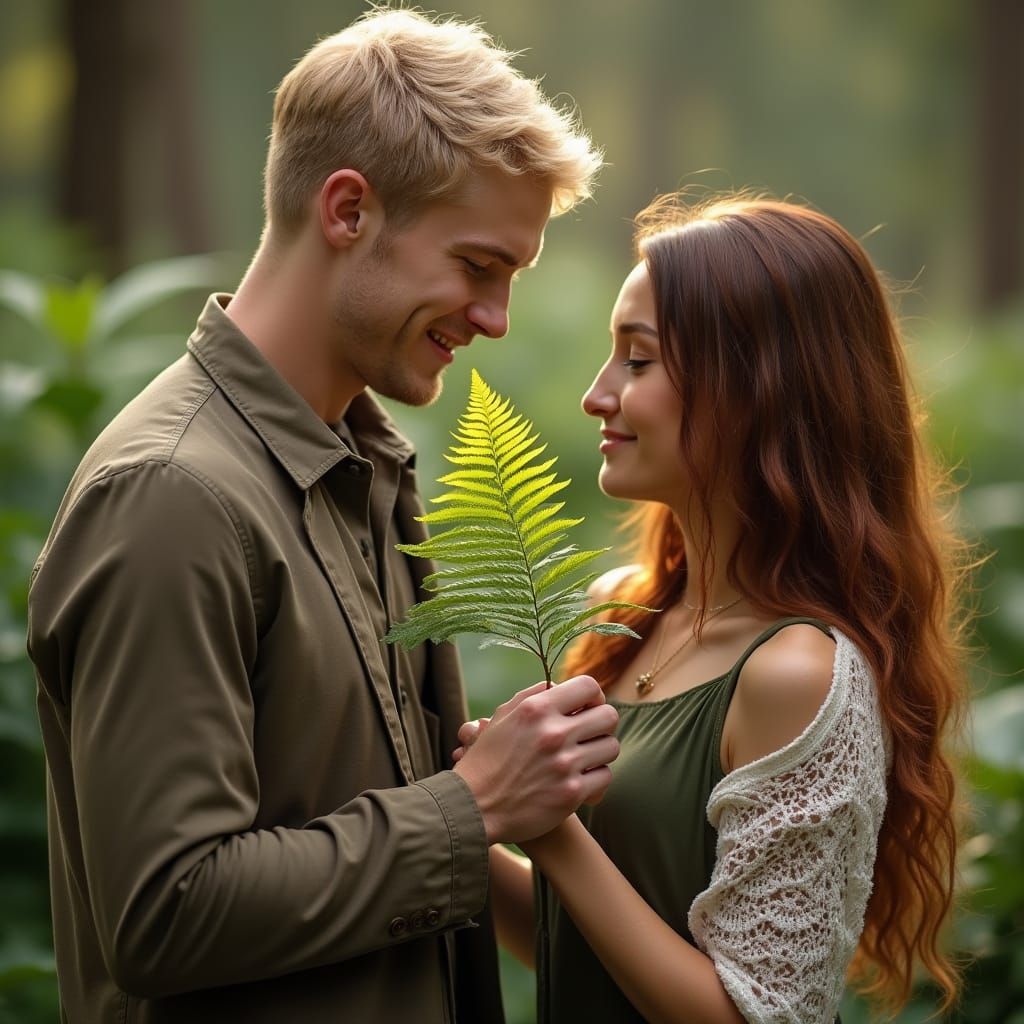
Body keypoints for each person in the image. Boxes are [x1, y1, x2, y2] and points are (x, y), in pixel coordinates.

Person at [26, 9, 618, 1023]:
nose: (495, 318)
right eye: (478, 265)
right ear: (348, 209)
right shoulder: (173, 497)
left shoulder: (364, 469)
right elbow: (166, 912)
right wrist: (472, 806)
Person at [458, 194, 971, 1022]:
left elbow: (755, 1014)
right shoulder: (623, 612)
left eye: (638, 361)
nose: (597, 395)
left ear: (756, 386)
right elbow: (582, 938)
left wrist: (551, 831)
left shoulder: (797, 674)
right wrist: (464, 813)